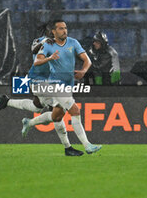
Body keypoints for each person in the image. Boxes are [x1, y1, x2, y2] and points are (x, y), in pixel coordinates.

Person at [0, 21, 84, 156]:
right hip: (39, 81)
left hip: (49, 81)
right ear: (51, 30)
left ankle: (7, 102)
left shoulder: (61, 44)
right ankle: (67, 147)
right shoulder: (40, 41)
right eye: (55, 29)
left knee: (37, 106)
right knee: (58, 112)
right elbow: (34, 49)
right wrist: (44, 43)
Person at [33, 19, 102, 154]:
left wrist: (83, 71)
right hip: (55, 84)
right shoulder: (48, 45)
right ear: (53, 31)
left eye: (65, 28)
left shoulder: (73, 42)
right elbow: (37, 61)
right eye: (60, 28)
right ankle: (87, 145)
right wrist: (49, 58)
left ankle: (28, 123)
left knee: (57, 116)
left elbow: (87, 60)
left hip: (68, 85)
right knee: (75, 111)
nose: (64, 31)